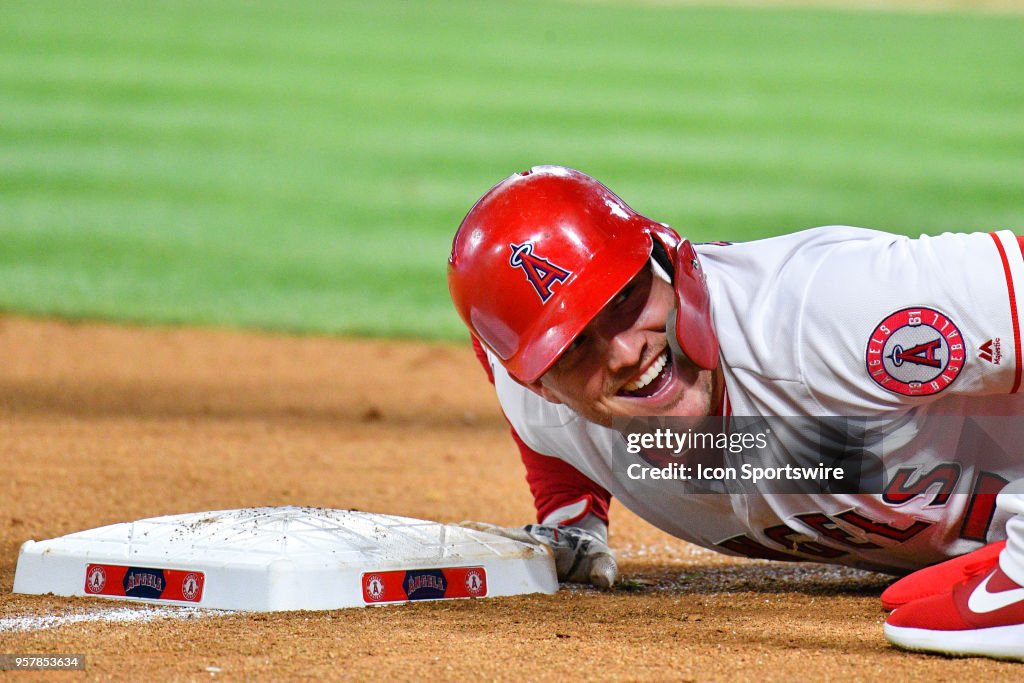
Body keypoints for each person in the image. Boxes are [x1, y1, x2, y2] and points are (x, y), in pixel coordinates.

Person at [448, 165, 1024, 661]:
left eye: (623, 297)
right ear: (542, 384)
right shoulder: (546, 402)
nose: (625, 351)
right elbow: (508, 373)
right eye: (572, 346)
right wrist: (571, 516)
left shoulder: (823, 313)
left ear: (671, 261)